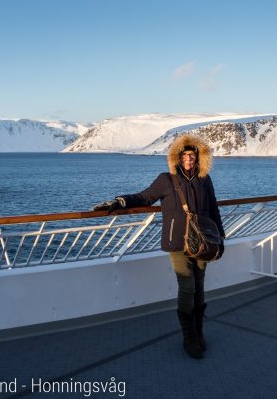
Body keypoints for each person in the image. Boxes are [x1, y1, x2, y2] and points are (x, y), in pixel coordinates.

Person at [93, 133, 225, 359]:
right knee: (187, 287)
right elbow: (144, 197)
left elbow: (213, 209)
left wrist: (220, 237)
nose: (189, 160)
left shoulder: (205, 179)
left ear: (199, 157)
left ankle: (199, 332)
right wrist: (120, 201)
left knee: (200, 287)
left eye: (193, 156)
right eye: (185, 156)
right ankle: (189, 338)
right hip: (178, 241)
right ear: (177, 157)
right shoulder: (167, 180)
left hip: (203, 241)